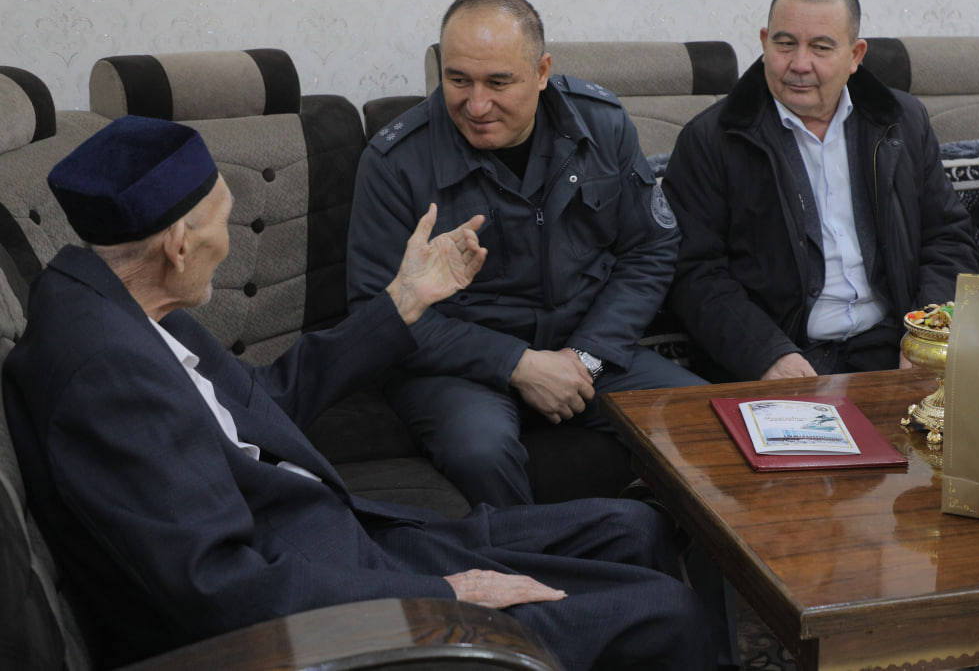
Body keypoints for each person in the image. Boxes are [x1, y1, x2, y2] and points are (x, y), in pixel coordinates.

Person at [3, 115, 716, 671]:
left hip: (344, 546)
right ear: (179, 243)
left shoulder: (126, 309)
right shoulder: (108, 380)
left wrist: (405, 301)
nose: (231, 240)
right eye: (224, 218)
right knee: (667, 614)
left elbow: (261, 402)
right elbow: (221, 590)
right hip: (324, 615)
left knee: (636, 528)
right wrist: (450, 593)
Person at [346, 0, 704, 508]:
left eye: (498, 82)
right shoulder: (394, 162)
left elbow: (648, 250)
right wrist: (517, 364)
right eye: (458, 80)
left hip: (586, 346)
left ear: (541, 72)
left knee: (703, 421)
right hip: (459, 366)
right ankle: (530, 562)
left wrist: (586, 357)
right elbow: (376, 311)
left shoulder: (602, 124)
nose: (476, 105)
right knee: (481, 452)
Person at [663, 0, 977, 382]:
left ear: (855, 55)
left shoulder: (900, 122)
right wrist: (767, 356)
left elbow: (947, 239)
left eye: (821, 48)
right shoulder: (713, 139)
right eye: (785, 44)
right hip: (781, 356)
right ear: (764, 43)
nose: (799, 64)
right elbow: (695, 274)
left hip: (893, 346)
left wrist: (927, 337)